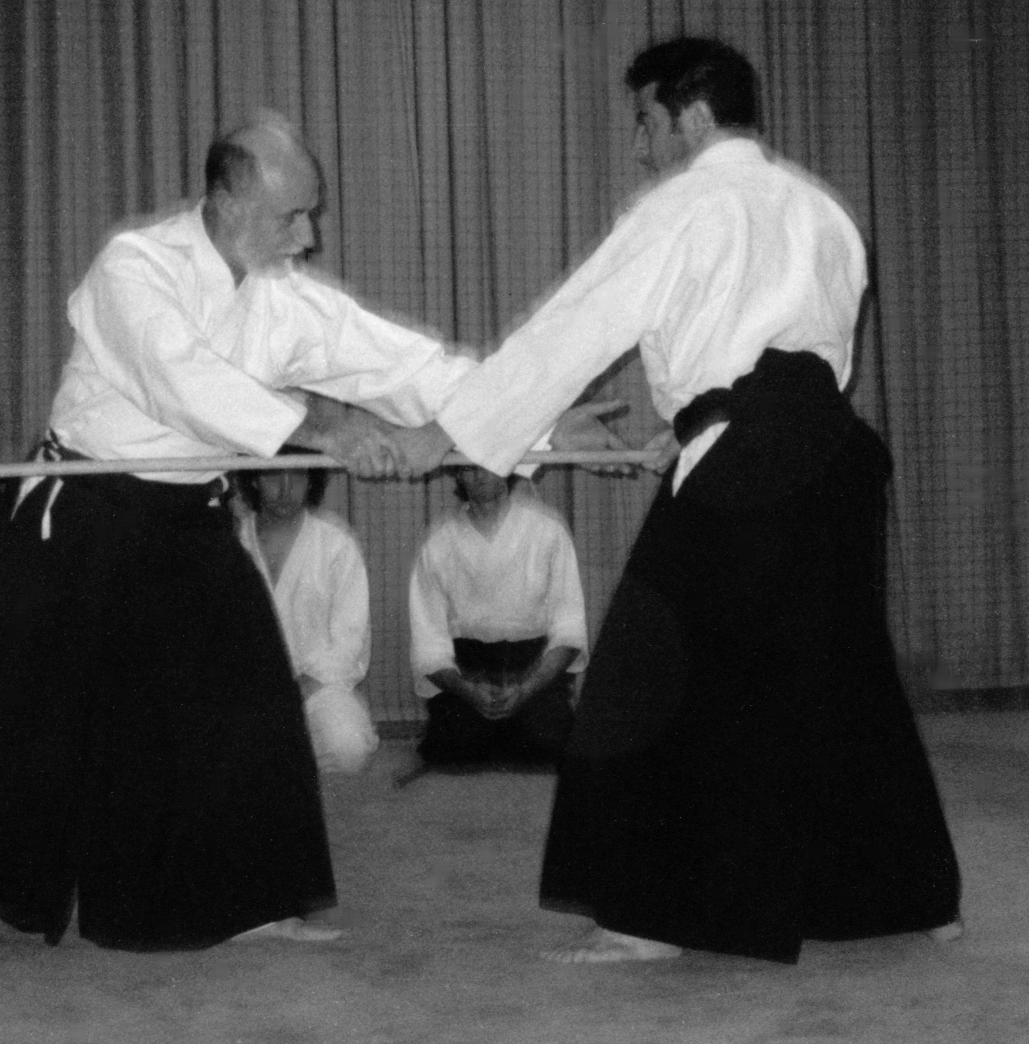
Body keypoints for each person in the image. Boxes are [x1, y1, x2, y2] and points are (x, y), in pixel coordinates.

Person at [394, 38, 961, 964]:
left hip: (750, 459)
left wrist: (448, 430)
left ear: (692, 117)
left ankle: (652, 916)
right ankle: (905, 896)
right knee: (840, 676)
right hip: (837, 459)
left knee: (650, 675)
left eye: (646, 122)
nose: (639, 146)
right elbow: (800, 361)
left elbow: (577, 326)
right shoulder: (824, 211)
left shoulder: (684, 203)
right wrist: (697, 427)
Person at [0, 113, 487, 969]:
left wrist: (524, 412)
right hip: (84, 502)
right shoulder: (134, 266)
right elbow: (180, 381)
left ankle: (241, 901)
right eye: (292, 217)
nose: (308, 236)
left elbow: (407, 365)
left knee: (246, 694)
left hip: (189, 511)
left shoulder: (284, 299)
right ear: (230, 202)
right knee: (16, 709)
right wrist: (325, 428)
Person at [408, 467, 587, 768]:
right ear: (457, 475)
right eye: (468, 468)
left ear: (507, 466)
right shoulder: (439, 540)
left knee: (550, 746)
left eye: (488, 464)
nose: (479, 475)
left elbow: (569, 629)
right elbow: (429, 645)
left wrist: (527, 687)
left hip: (533, 664)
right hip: (468, 668)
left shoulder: (548, 528)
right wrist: (467, 690)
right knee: (452, 752)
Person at [234, 452, 378, 775]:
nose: (286, 489)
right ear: (254, 479)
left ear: (311, 479)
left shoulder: (336, 543)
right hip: (248, 687)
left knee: (349, 748)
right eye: (273, 475)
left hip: (318, 687)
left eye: (297, 476)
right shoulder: (234, 542)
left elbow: (350, 643)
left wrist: (299, 688)